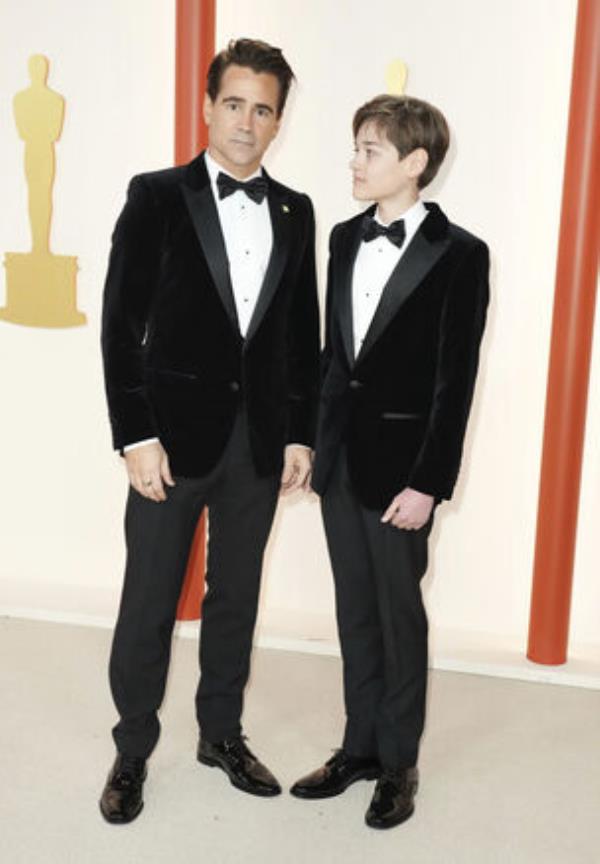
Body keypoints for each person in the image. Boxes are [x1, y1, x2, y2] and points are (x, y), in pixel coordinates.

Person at [99, 38, 320, 824]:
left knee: (237, 596)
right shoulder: (156, 196)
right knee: (150, 597)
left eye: (263, 109)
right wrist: (135, 435)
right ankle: (131, 749)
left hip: (257, 446)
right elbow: (121, 328)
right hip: (169, 440)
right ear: (207, 107)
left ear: (278, 121)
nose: (246, 122)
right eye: (234, 103)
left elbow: (301, 336)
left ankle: (220, 734)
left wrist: (300, 435)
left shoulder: (296, 211)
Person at [291, 95, 489, 830]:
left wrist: (429, 484)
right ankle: (358, 747)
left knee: (399, 618)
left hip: (404, 474)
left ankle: (399, 763)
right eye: (355, 147)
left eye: (370, 150)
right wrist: (311, 440)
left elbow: (455, 379)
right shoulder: (343, 238)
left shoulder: (462, 254)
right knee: (355, 613)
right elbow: (333, 358)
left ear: (415, 164)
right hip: (342, 463)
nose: (354, 161)